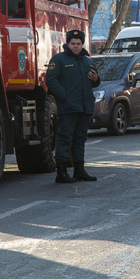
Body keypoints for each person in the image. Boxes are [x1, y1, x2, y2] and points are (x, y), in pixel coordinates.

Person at [45, 29, 101, 183]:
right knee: (65, 138)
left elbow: (95, 81)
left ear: (82, 44)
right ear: (67, 44)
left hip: (84, 107)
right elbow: (51, 80)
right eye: (72, 43)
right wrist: (65, 97)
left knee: (80, 140)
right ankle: (61, 172)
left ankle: (79, 170)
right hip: (68, 108)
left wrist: (96, 79)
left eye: (78, 43)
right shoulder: (59, 59)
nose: (75, 46)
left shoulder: (88, 61)